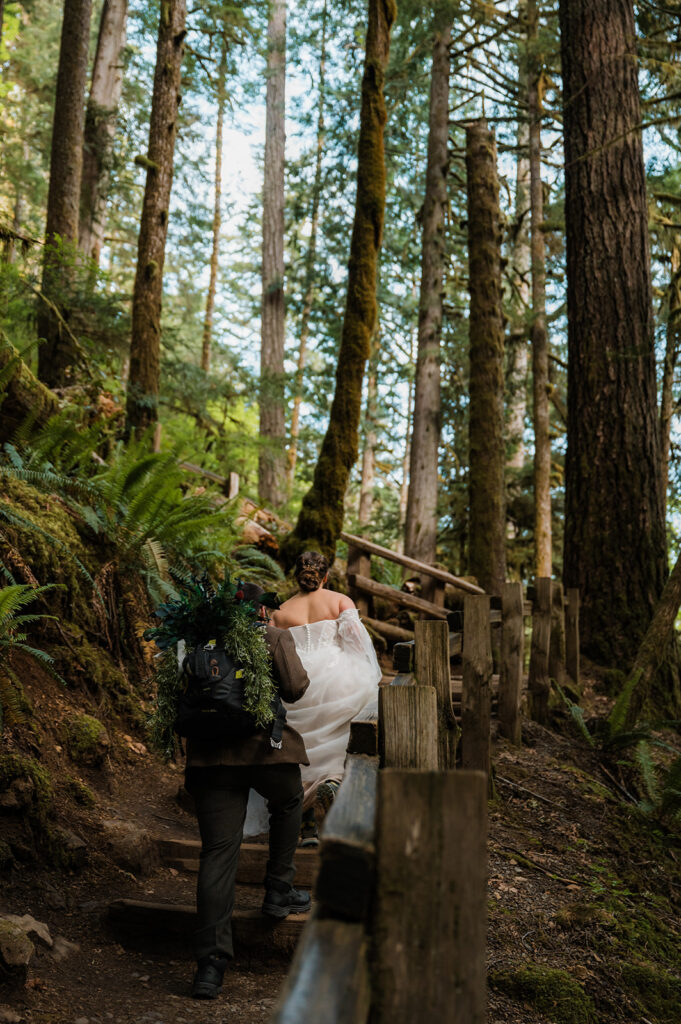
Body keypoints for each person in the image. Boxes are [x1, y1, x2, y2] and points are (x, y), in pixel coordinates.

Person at [184, 582, 312, 1000]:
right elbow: (295, 687)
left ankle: (210, 966)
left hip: (210, 760)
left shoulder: (200, 642)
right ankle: (278, 889)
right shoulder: (272, 636)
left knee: (218, 854)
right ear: (260, 612)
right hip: (264, 752)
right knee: (290, 799)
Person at [271, 551, 382, 846]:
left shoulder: (279, 611)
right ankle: (333, 783)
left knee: (300, 750)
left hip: (296, 684)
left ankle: (306, 824)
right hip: (337, 680)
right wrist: (364, 676)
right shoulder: (340, 601)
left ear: (296, 575)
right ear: (326, 576)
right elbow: (357, 645)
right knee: (336, 741)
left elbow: (274, 655)